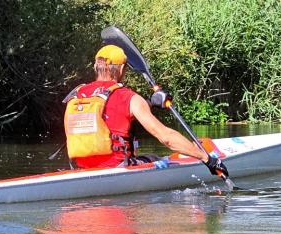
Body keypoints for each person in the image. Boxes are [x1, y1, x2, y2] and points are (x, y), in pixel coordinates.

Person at [64, 44, 228, 177]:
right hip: (118, 168)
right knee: (155, 159)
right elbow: (166, 138)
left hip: (82, 169)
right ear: (121, 69)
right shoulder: (128, 97)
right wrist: (207, 159)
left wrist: (151, 102)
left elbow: (111, 117)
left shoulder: (77, 94)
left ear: (96, 67)